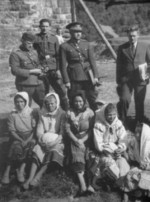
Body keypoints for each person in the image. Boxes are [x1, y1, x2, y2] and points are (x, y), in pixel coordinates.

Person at [23, 92, 66, 190]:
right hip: (44, 141)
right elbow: (39, 131)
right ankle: (30, 178)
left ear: (56, 103)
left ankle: (38, 176)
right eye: (47, 104)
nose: (50, 106)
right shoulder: (42, 114)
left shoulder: (62, 114)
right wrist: (42, 142)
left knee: (53, 152)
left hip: (57, 141)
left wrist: (53, 143)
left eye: (52, 103)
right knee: (37, 149)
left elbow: (62, 133)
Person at [60, 22, 99, 111]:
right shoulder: (64, 46)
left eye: (80, 32)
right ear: (71, 33)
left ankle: (95, 119)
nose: (78, 34)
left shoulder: (87, 44)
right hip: (74, 77)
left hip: (88, 76)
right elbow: (62, 65)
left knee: (92, 99)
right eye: (75, 32)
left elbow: (92, 61)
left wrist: (96, 76)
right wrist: (66, 81)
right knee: (75, 100)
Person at [116, 24, 150, 125]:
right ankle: (122, 120)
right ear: (127, 36)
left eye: (134, 35)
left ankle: (139, 122)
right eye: (130, 36)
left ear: (138, 35)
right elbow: (119, 65)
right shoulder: (122, 48)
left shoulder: (145, 46)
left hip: (140, 79)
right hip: (126, 80)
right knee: (124, 99)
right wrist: (118, 81)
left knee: (139, 101)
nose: (132, 38)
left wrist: (147, 75)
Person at [1, 92, 37, 184]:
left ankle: (21, 169)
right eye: (17, 102)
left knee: (31, 146)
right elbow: (12, 131)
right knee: (15, 147)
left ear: (26, 102)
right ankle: (7, 170)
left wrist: (28, 139)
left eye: (21, 102)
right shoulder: (13, 114)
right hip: (17, 136)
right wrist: (21, 140)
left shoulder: (31, 113)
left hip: (29, 136)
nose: (19, 104)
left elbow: (34, 130)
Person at [34, 19, 69, 110]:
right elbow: (34, 54)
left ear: (49, 27)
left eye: (46, 26)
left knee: (61, 91)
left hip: (53, 67)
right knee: (43, 92)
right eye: (43, 26)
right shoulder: (36, 38)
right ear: (40, 27)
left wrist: (58, 69)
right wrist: (38, 67)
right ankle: (46, 111)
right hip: (42, 68)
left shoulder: (54, 38)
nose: (44, 28)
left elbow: (58, 55)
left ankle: (65, 111)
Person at [93, 103, 130, 187]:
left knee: (123, 163)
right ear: (104, 114)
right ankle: (115, 182)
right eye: (109, 115)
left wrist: (120, 148)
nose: (112, 117)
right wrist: (109, 149)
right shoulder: (98, 125)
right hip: (105, 153)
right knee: (110, 166)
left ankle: (122, 183)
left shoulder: (118, 123)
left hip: (117, 152)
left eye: (114, 114)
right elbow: (98, 144)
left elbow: (123, 138)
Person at [65, 91, 95, 196]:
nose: (78, 103)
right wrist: (77, 140)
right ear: (72, 102)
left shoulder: (90, 113)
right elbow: (68, 130)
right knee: (77, 155)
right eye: (76, 101)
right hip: (74, 138)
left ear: (84, 101)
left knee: (88, 156)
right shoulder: (69, 113)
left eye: (80, 101)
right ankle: (83, 184)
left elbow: (91, 129)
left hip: (87, 138)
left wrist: (83, 140)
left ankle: (89, 184)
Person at [9, 32, 46, 108]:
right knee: (25, 106)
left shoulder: (34, 52)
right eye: (28, 43)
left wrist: (42, 70)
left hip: (38, 83)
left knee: (44, 104)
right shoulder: (16, 54)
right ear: (22, 41)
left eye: (32, 43)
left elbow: (37, 64)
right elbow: (14, 70)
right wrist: (32, 71)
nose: (31, 45)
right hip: (25, 84)